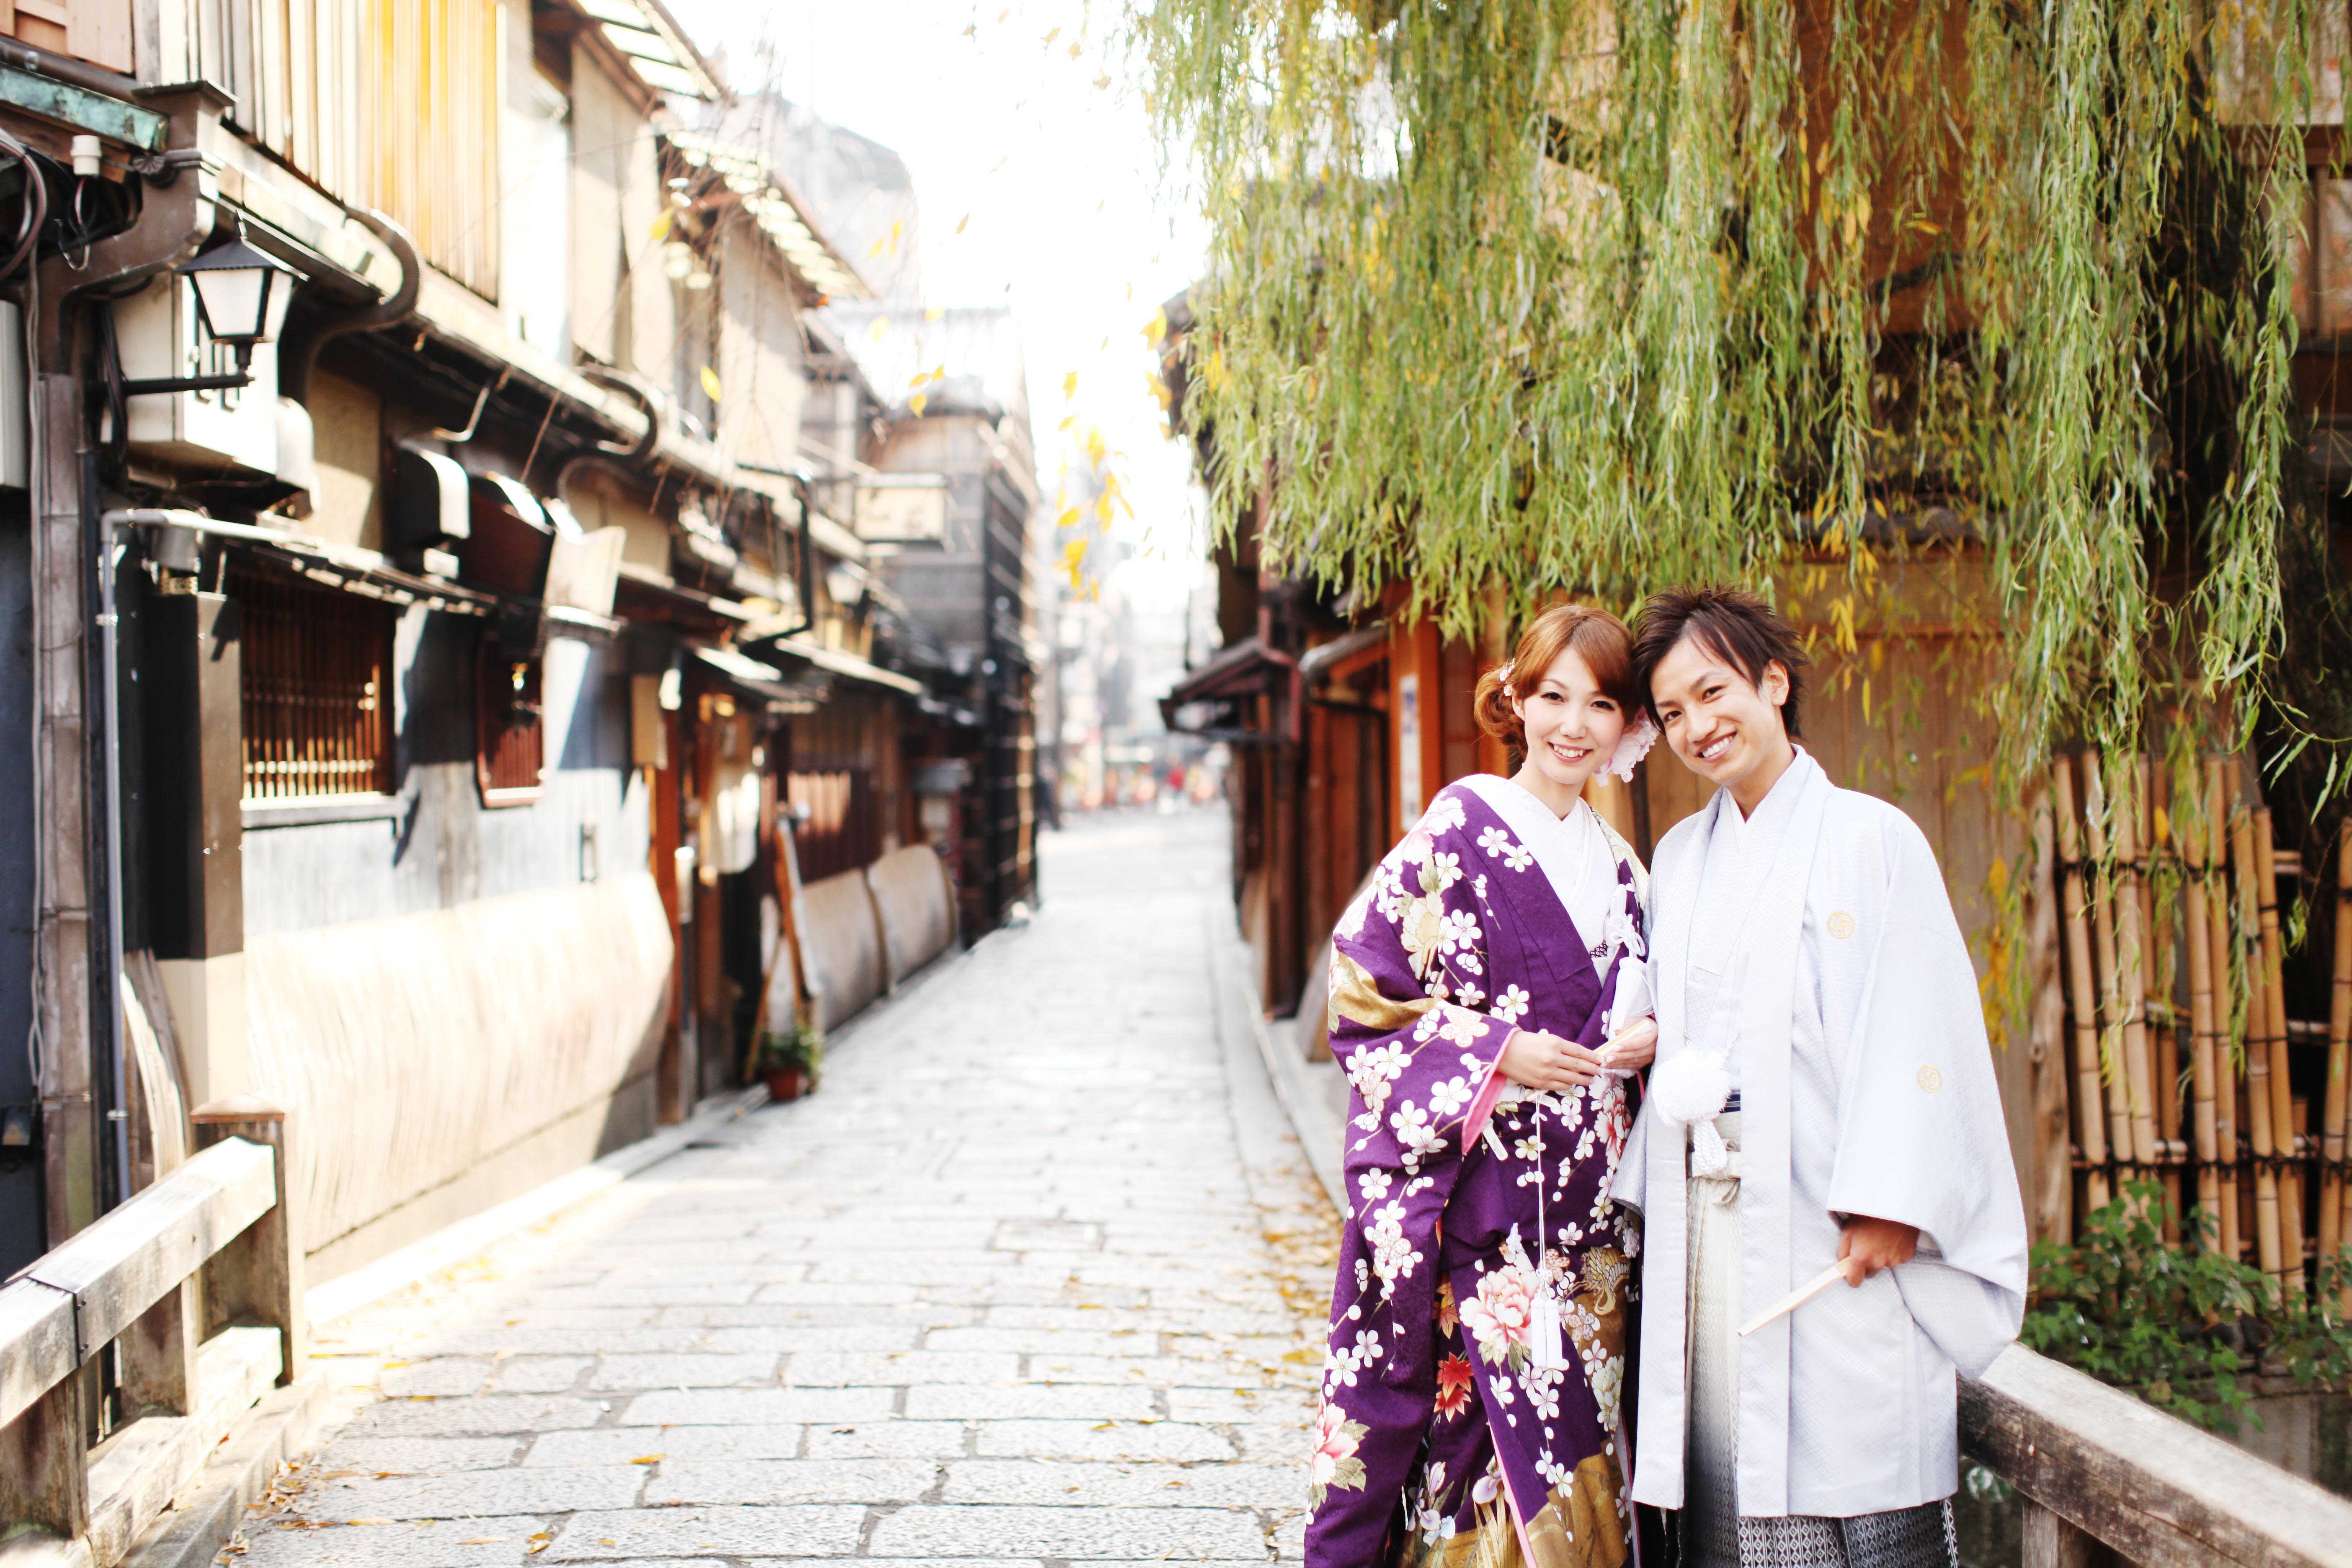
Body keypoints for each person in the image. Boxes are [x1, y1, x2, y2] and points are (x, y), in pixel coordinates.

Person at [1612, 588, 2027, 1568]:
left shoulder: (1873, 841)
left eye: (1713, 694)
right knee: (1724, 1473)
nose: (1697, 729)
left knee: (1846, 1464)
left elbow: (1923, 1035)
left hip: (1834, 1222)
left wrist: (1897, 1203)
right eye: (1671, 715)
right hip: (1709, 1219)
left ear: (1773, 682)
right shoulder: (1679, 855)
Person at [1307, 605, 1663, 1568]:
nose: (1573, 725)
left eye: (1600, 703)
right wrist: (1500, 1050)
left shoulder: (1628, 872)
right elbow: (1364, 992)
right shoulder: (1459, 827)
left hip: (1593, 1236)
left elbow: (1678, 1007)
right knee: (1476, 1458)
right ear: (1516, 698)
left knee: (1584, 1459)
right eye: (1552, 696)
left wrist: (1652, 1037)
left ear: (1629, 723)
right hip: (1486, 1214)